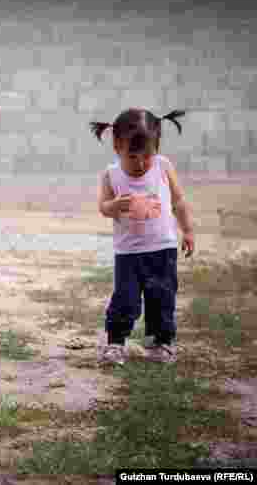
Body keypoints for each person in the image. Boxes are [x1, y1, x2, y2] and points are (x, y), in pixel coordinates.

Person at [90, 108, 195, 366]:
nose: (140, 163)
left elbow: (179, 201)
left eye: (146, 156)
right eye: (132, 156)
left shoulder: (162, 166)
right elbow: (103, 207)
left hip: (163, 248)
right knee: (124, 298)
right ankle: (115, 343)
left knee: (162, 296)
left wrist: (188, 229)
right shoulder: (111, 175)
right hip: (128, 253)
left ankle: (163, 343)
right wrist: (115, 205)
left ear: (156, 148)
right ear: (117, 147)